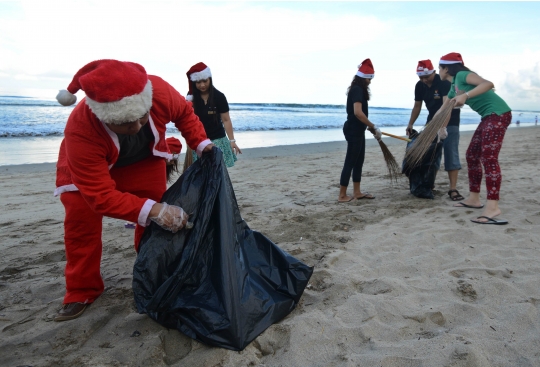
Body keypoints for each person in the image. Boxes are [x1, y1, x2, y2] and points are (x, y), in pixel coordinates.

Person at [53, 59, 213, 321]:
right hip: (88, 170)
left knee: (155, 219)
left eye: (142, 118)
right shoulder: (81, 129)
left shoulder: (157, 90)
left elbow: (184, 114)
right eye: (127, 124)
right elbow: (101, 197)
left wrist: (200, 143)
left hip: (142, 158)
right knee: (81, 226)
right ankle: (82, 289)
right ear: (103, 116)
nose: (137, 127)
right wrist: (155, 210)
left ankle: (153, 268)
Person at [439, 52, 512, 224]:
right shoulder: (453, 87)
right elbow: (444, 109)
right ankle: (474, 198)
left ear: (446, 68)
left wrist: (466, 95)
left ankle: (493, 207)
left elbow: (488, 84)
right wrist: (439, 126)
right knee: (472, 155)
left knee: (489, 158)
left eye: (439, 68)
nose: (438, 71)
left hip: (499, 114)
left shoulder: (462, 75)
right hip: (488, 117)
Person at [406, 59, 462, 201]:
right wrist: (410, 124)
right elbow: (417, 106)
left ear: (434, 72)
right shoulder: (419, 85)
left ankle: (453, 189)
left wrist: (443, 127)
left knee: (450, 152)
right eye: (421, 77)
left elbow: (446, 106)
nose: (424, 80)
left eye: (427, 76)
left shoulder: (443, 82)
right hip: (431, 122)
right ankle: (428, 184)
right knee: (430, 155)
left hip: (450, 121)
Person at [338, 58, 382, 202]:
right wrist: (373, 125)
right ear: (365, 78)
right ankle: (342, 195)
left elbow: (360, 114)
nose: (370, 82)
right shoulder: (357, 90)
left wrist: (367, 126)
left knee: (359, 161)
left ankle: (357, 192)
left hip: (359, 129)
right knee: (350, 161)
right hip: (353, 130)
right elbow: (357, 112)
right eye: (369, 79)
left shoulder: (358, 89)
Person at [185, 62, 241, 168]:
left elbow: (226, 120)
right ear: (194, 83)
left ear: (210, 79)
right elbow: (187, 121)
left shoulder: (219, 97)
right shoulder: (191, 98)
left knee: (218, 175)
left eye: (205, 81)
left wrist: (232, 141)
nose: (202, 85)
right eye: (198, 82)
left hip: (218, 141)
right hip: (199, 142)